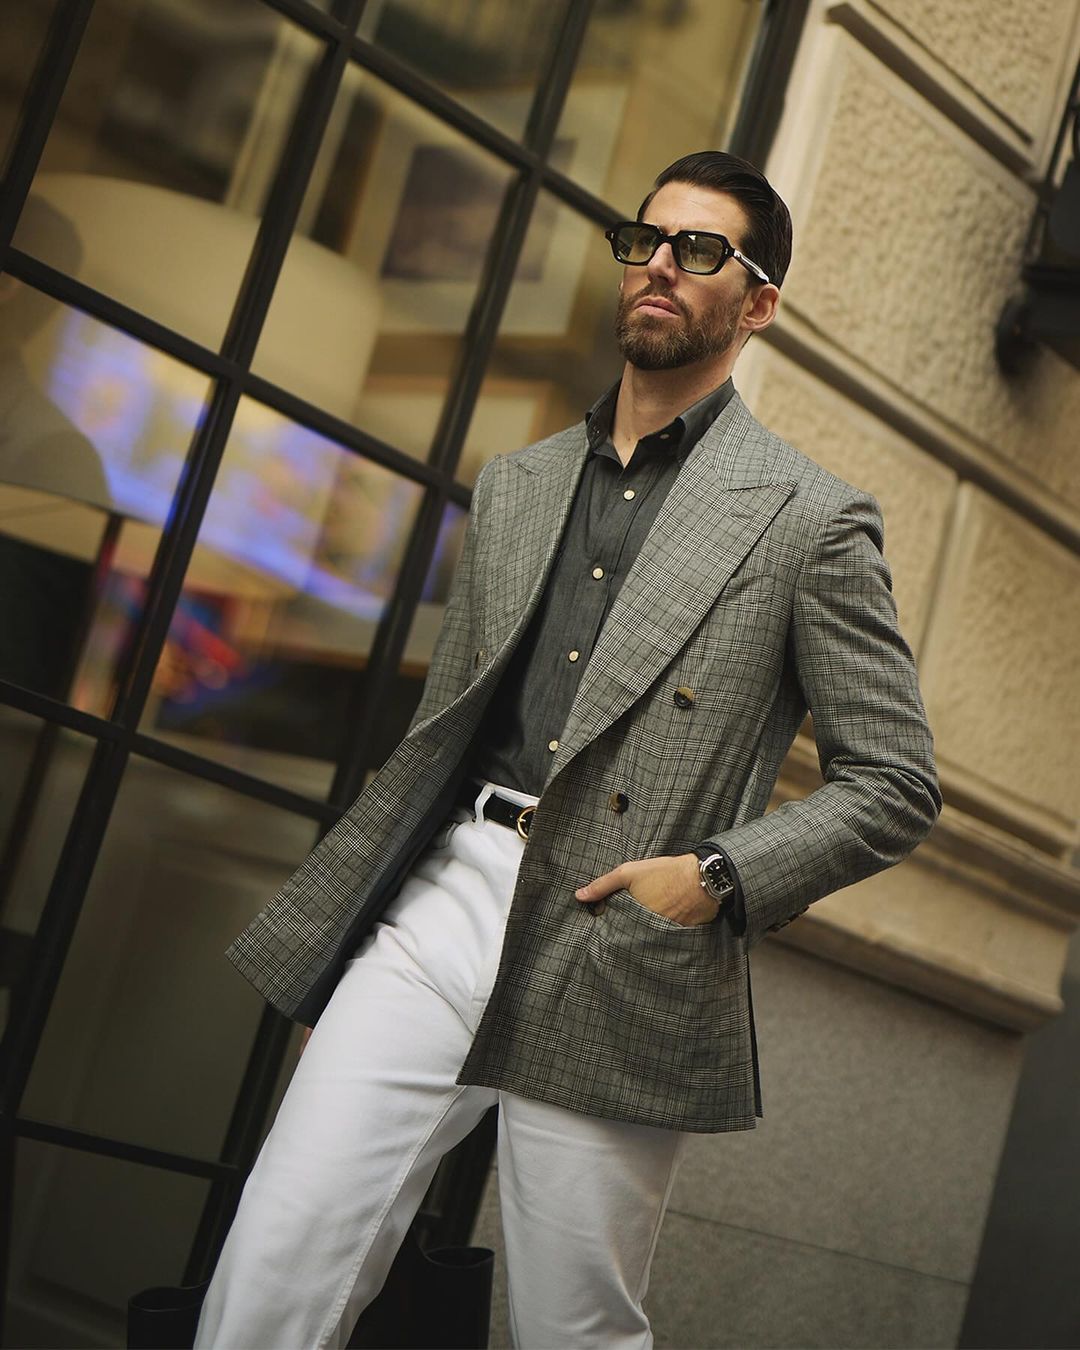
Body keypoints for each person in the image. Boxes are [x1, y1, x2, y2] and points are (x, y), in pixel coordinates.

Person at [196, 151, 940, 1350]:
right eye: (645, 239)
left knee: (571, 1325)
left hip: (621, 932)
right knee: (277, 1258)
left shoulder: (808, 518)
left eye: (701, 249)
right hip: (444, 903)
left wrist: (711, 878)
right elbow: (444, 737)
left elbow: (896, 781)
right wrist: (352, 941)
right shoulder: (521, 483)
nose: (660, 264)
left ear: (758, 304)